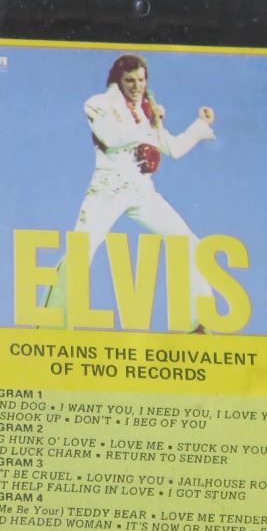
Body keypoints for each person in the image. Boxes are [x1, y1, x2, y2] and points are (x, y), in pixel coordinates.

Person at [45, 54, 218, 329]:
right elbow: (111, 138)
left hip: (142, 191)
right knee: (80, 252)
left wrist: (200, 126)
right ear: (118, 81)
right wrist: (149, 125)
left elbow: (173, 149)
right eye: (130, 81)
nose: (137, 86)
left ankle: (198, 323)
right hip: (108, 190)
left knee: (187, 241)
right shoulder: (99, 104)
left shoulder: (145, 112)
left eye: (141, 80)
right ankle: (51, 324)